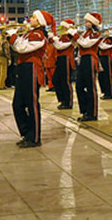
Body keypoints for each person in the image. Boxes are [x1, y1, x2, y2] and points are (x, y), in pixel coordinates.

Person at [9, 9, 55, 147]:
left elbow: (21, 48)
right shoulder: (30, 33)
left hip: (32, 69)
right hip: (23, 68)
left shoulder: (38, 35)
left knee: (32, 104)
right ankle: (26, 133)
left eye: (34, 17)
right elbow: (18, 46)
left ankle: (34, 137)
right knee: (17, 104)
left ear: (40, 22)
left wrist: (13, 36)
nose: (31, 19)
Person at [75, 12, 102, 122]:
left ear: (92, 23)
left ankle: (92, 113)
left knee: (91, 87)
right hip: (83, 59)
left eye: (87, 21)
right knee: (79, 86)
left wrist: (75, 35)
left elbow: (86, 44)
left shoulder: (95, 33)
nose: (85, 23)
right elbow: (79, 44)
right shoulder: (86, 33)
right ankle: (85, 110)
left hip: (90, 59)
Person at [51, 18, 76, 110]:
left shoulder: (69, 36)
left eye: (63, 27)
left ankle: (68, 102)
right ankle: (62, 99)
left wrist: (53, 40)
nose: (61, 29)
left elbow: (60, 46)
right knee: (56, 80)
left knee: (65, 81)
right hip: (60, 59)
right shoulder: (62, 36)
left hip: (66, 59)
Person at [98, 30, 112, 100]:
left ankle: (109, 93)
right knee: (102, 76)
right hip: (102, 58)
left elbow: (103, 47)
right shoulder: (104, 39)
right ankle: (105, 91)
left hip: (107, 58)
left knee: (107, 76)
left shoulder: (109, 40)